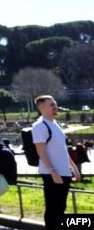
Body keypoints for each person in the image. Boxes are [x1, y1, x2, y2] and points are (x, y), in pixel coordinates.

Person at [32, 95, 82, 229]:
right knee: (53, 209)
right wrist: (53, 172)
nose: (56, 107)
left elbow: (62, 149)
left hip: (63, 172)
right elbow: (41, 151)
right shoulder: (39, 126)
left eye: (55, 104)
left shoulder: (55, 124)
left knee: (60, 207)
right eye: (51, 105)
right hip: (52, 173)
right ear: (41, 108)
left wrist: (74, 168)